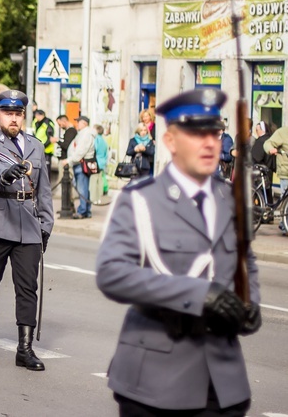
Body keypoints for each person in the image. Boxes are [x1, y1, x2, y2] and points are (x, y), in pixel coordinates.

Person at [96, 88, 261, 415]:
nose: (210, 142)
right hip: (156, 380)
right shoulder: (140, 199)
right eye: (197, 133)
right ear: (170, 141)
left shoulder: (230, 199)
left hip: (224, 381)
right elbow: (113, 273)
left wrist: (249, 304)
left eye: (215, 132)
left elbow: (247, 263)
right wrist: (200, 295)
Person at [0, 90, 54, 371]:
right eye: (8, 113)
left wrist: (46, 224)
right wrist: (3, 173)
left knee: (28, 286)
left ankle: (25, 348)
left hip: (28, 224)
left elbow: (44, 191)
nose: (14, 118)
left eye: (18, 114)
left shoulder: (35, 145)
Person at [62, 116, 95, 219]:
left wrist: (69, 160)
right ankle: (86, 210)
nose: (77, 123)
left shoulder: (86, 135)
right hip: (78, 163)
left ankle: (82, 211)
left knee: (82, 188)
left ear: (84, 123)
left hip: (81, 163)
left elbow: (80, 151)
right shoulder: (82, 133)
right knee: (83, 187)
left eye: (79, 122)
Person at [264, 124, 288, 233]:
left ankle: (284, 223)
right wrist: (271, 149)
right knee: (285, 200)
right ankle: (284, 225)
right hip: (285, 173)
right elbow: (267, 143)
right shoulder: (282, 132)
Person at [252, 121, 276, 210]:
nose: (256, 131)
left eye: (257, 129)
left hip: (260, 171)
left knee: (261, 193)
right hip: (268, 170)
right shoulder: (269, 139)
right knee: (268, 192)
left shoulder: (261, 141)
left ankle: (261, 212)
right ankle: (269, 212)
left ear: (261, 130)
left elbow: (255, 157)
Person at [90, 124, 108, 203]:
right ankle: (99, 198)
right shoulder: (104, 141)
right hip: (102, 162)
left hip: (96, 162)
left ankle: (93, 198)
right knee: (100, 181)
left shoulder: (96, 139)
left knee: (94, 181)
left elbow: (94, 149)